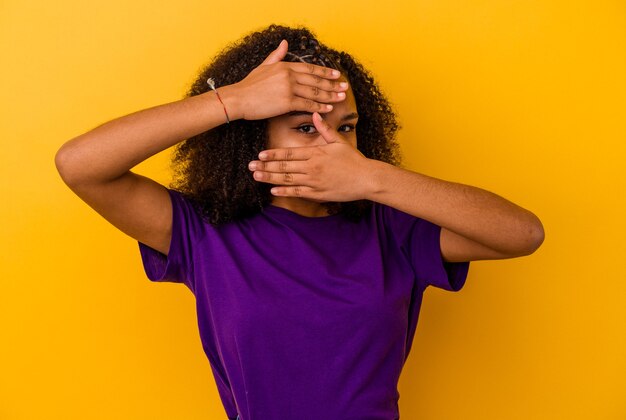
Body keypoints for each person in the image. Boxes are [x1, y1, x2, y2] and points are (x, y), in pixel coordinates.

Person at [55, 24, 544, 420]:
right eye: (305, 128)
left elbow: (523, 234)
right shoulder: (204, 234)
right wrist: (231, 102)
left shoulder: (392, 228)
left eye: (347, 128)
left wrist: (373, 179)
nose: (333, 146)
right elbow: (80, 165)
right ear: (251, 140)